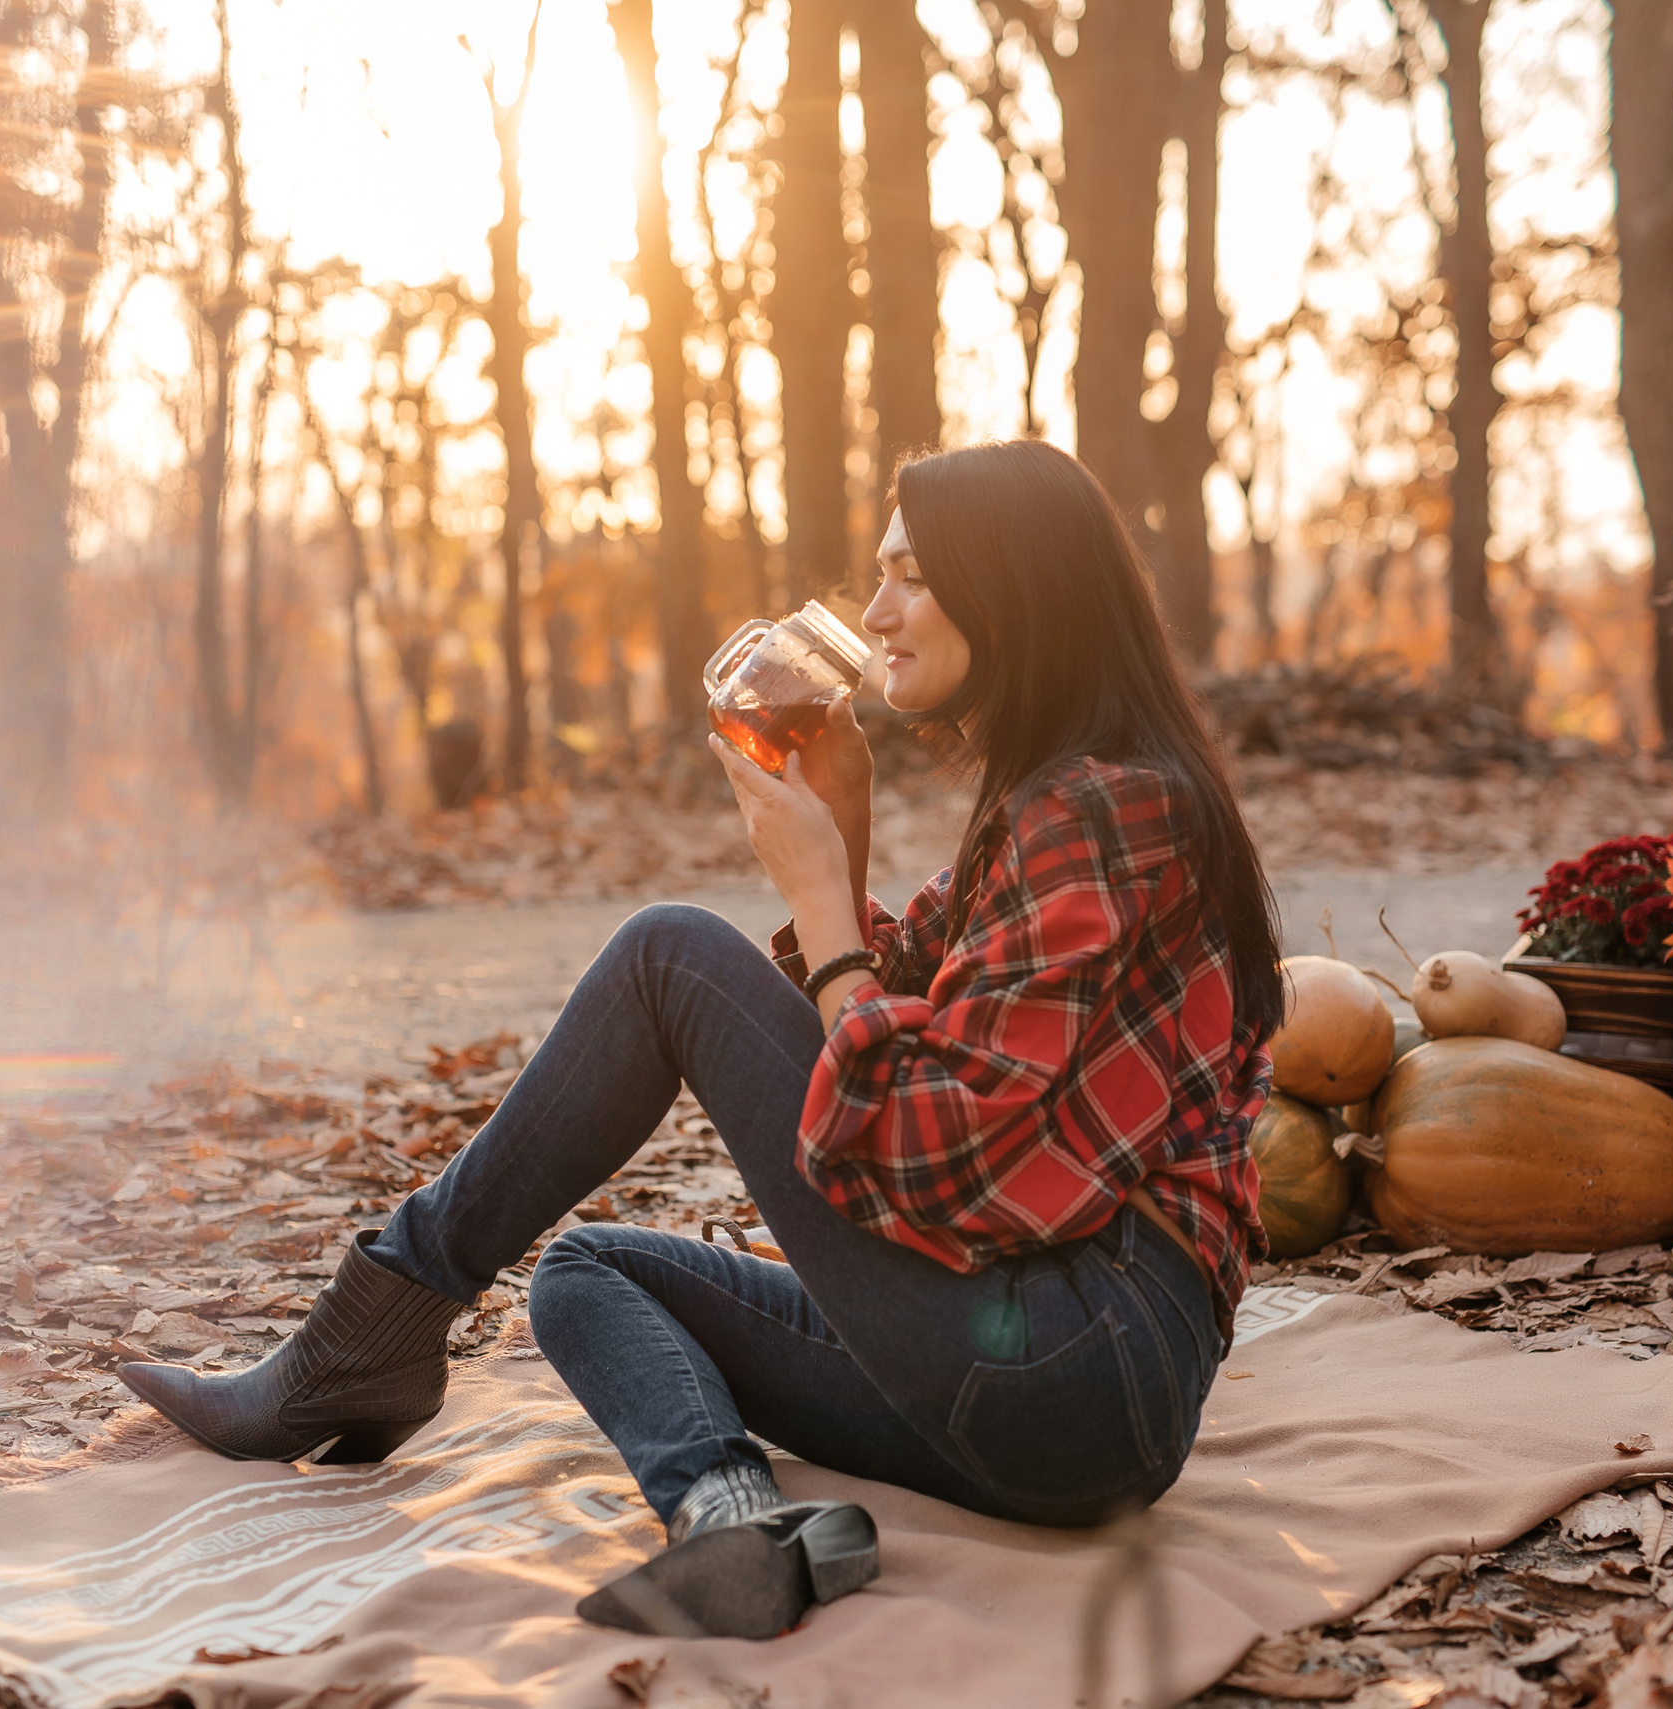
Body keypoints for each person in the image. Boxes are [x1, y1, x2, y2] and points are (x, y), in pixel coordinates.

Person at [119, 438, 1287, 1641]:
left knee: (669, 952)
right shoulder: (1059, 803)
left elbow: (937, 1159)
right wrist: (845, 831)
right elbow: (926, 1049)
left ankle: (359, 1337)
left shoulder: (1105, 810)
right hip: (1048, 1407)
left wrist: (824, 902)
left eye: (914, 577)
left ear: (1019, 590)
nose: (876, 609)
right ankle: (727, 1518)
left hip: (1075, 1358)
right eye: (879, 573)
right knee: (588, 1271)